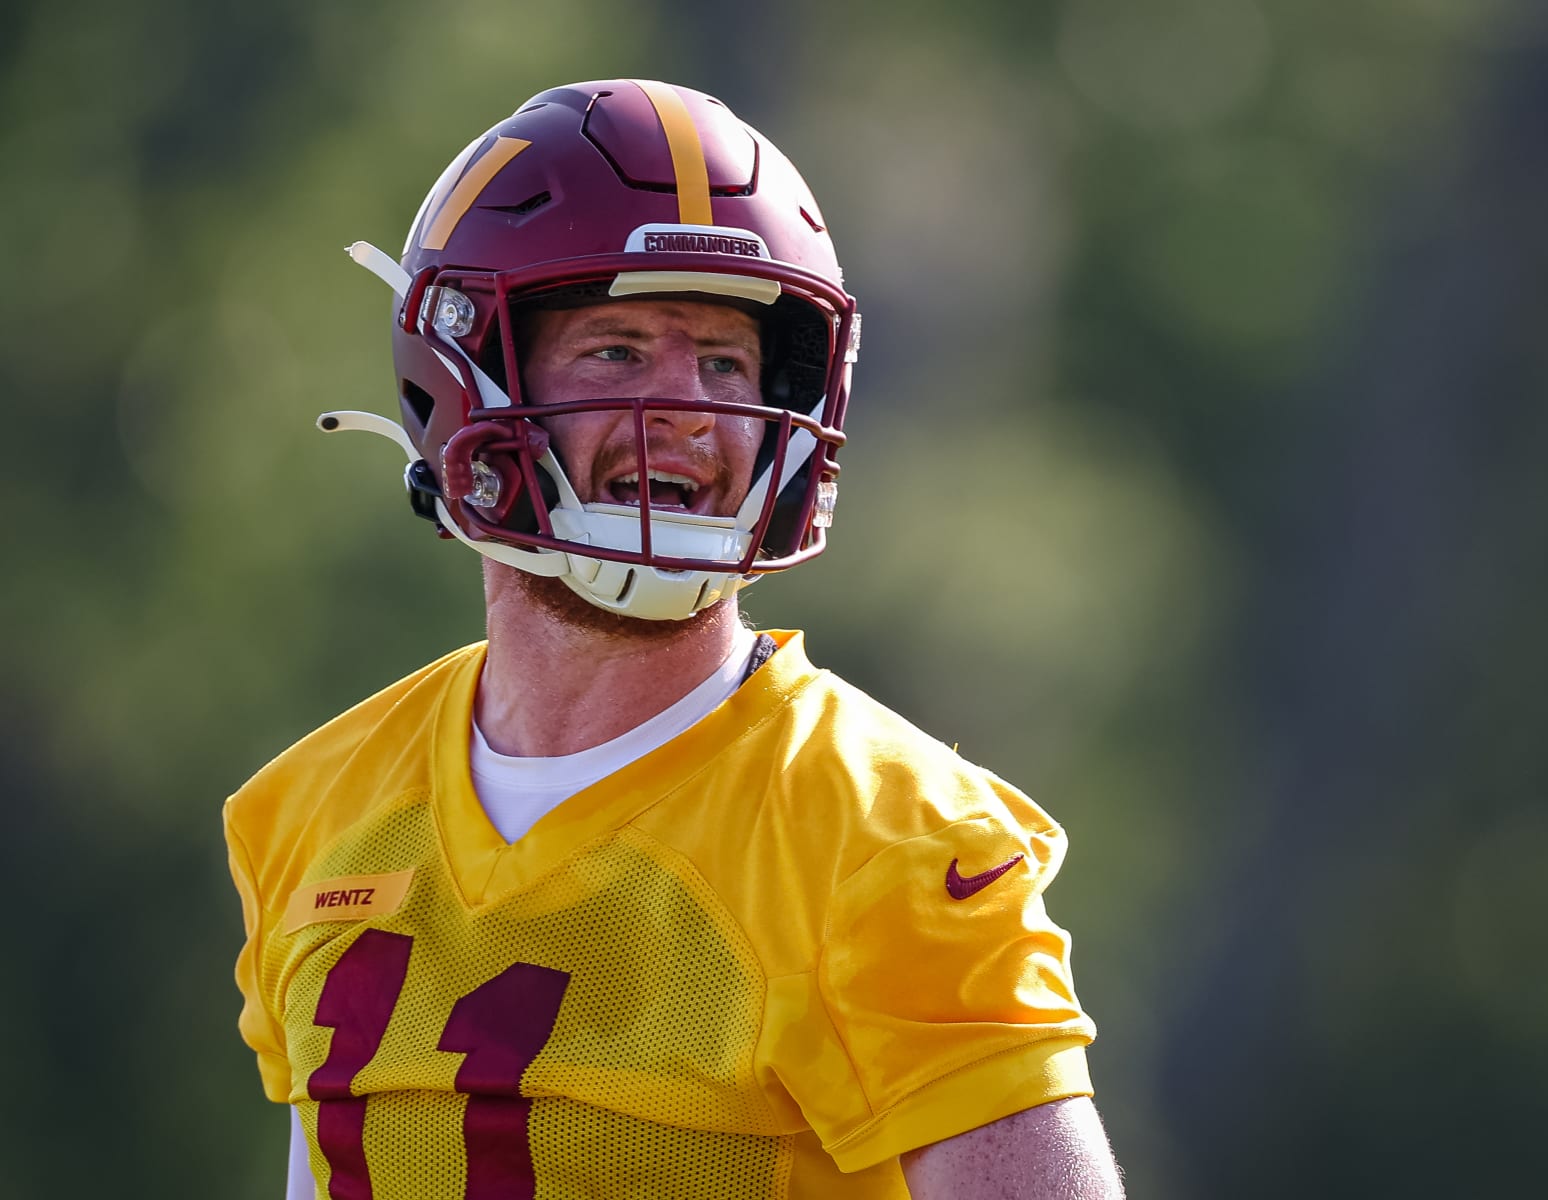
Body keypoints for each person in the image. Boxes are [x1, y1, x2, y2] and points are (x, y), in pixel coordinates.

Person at [224, 78, 1124, 1199]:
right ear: (466, 380)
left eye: (727, 363)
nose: (690, 408)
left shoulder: (886, 841)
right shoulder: (312, 811)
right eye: (615, 351)